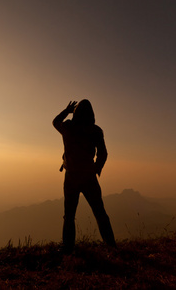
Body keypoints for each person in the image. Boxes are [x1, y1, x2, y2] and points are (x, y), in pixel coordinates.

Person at [53, 99, 116, 254]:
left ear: (75, 113)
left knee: (69, 215)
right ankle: (111, 246)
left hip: (71, 177)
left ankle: (68, 248)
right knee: (100, 212)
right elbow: (103, 154)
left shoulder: (68, 127)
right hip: (89, 177)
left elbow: (55, 122)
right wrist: (95, 170)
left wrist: (66, 110)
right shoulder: (95, 131)